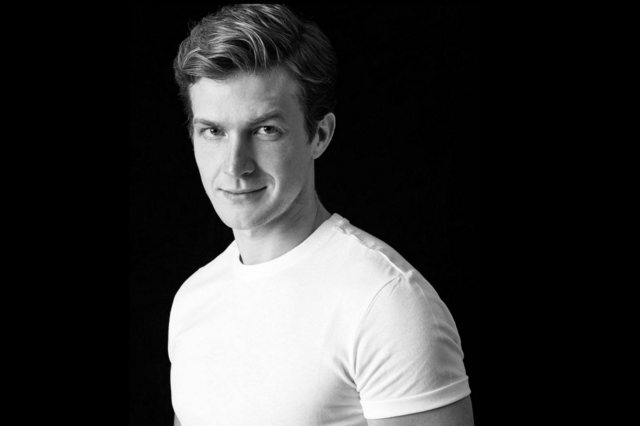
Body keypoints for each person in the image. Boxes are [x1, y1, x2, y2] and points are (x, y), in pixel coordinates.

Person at [168, 4, 474, 425]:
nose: (235, 165)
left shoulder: (385, 302)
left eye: (265, 130)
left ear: (320, 135)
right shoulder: (192, 300)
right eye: (214, 131)